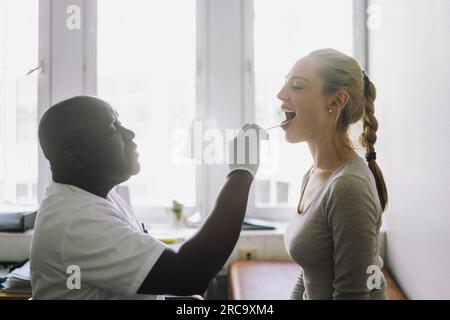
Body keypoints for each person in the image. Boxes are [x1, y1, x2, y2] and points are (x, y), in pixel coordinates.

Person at [30, 96, 267, 299]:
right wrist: (242, 172)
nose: (130, 133)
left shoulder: (97, 196)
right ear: (77, 159)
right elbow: (188, 276)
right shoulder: (76, 222)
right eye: (113, 129)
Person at [279, 48, 388, 299]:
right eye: (285, 83)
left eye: (296, 86)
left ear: (336, 102)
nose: (280, 94)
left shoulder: (348, 187)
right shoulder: (314, 174)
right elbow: (310, 273)